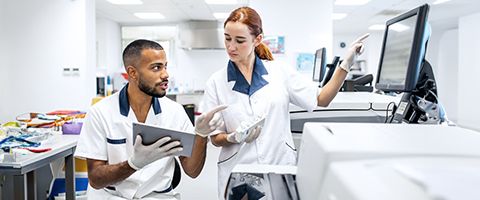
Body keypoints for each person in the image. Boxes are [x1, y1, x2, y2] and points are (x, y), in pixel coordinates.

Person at [200, 7, 369, 199]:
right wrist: (232, 138)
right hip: (237, 172)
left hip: (277, 167)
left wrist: (345, 65)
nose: (231, 47)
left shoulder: (279, 72)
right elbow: (215, 138)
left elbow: (321, 99)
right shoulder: (216, 82)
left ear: (257, 40)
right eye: (227, 38)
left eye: (239, 41)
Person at [75, 39, 226, 199]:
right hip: (112, 196)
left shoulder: (174, 111)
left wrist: (200, 136)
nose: (165, 74)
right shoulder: (100, 112)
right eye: (156, 68)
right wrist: (133, 164)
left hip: (157, 196)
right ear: (132, 73)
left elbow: (192, 171)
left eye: (165, 66)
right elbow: (96, 179)